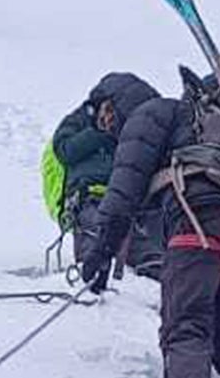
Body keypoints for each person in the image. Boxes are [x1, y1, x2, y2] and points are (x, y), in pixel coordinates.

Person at [80, 71, 220, 378]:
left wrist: (100, 250)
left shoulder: (148, 115)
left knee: (185, 328)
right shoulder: (192, 122)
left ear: (120, 99)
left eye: (107, 113)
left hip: (198, 222)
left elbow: (124, 189)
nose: (108, 125)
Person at [49, 73, 166, 277]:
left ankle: (152, 266)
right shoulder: (80, 120)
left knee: (140, 235)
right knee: (95, 226)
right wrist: (99, 134)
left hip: (126, 197)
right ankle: (91, 270)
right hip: (88, 193)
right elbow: (65, 150)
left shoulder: (131, 133)